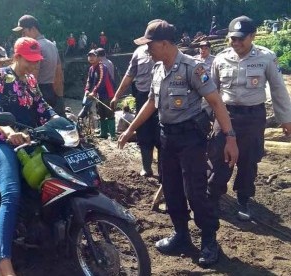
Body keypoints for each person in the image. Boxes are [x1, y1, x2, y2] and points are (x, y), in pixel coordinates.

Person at [118, 19, 238, 266]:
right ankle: (181, 235)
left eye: (149, 45)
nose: (146, 50)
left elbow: (216, 102)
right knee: (171, 188)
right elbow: (151, 102)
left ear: (164, 44)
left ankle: (208, 240)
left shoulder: (192, 68)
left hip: (191, 139)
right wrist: (130, 129)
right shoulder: (158, 68)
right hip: (167, 137)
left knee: (195, 191)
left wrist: (230, 138)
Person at [0, 36, 57, 276]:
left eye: (37, 61)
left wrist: (62, 122)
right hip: (0, 142)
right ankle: (5, 262)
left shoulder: (31, 79)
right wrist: (9, 132)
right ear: (16, 57)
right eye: (29, 61)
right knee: (12, 193)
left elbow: (43, 109)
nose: (34, 66)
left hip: (30, 141)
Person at [208, 16, 291, 221]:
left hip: (253, 117)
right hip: (225, 114)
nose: (236, 43)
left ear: (252, 36)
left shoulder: (266, 57)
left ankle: (244, 199)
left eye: (241, 39)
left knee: (248, 160)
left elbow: (278, 89)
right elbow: (211, 91)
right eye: (232, 39)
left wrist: (286, 119)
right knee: (219, 157)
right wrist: (205, 116)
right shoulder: (220, 59)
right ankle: (213, 195)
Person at [110, 44, 159, 176]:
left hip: (162, 98)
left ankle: (164, 170)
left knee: (161, 134)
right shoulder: (139, 52)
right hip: (142, 96)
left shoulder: (163, 51)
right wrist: (116, 96)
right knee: (143, 132)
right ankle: (146, 167)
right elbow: (129, 76)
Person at [13, 14, 65, 117]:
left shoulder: (34, 47)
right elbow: (58, 74)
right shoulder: (51, 45)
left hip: (38, 93)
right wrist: (60, 98)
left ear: (33, 29)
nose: (22, 37)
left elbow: (33, 76)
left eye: (24, 32)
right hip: (51, 92)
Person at [85, 49, 116, 140]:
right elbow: (89, 81)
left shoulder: (102, 67)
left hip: (107, 93)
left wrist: (93, 91)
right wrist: (87, 90)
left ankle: (113, 135)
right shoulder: (91, 69)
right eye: (89, 56)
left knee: (109, 113)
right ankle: (103, 133)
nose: (91, 58)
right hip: (99, 93)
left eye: (93, 56)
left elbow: (101, 80)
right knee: (101, 113)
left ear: (98, 57)